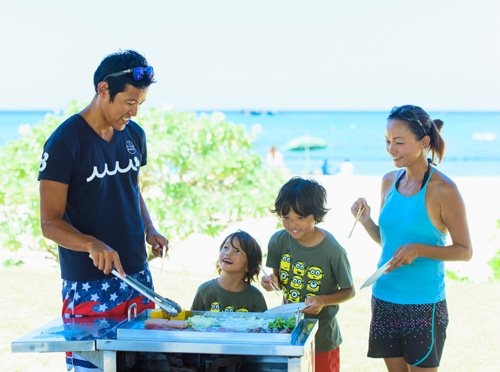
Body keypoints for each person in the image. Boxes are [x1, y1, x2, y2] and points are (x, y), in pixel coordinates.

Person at [38, 50, 168, 372]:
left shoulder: (134, 136)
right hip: (89, 285)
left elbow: (131, 189)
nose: (134, 112)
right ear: (103, 90)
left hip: (138, 275)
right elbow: (49, 222)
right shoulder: (64, 142)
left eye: (140, 104)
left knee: (145, 366)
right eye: (128, 102)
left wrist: (149, 228)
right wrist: (91, 244)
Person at [351, 105, 472, 371]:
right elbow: (389, 243)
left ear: (424, 142)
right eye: (387, 141)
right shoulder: (388, 181)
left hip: (423, 305)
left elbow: (464, 251)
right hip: (383, 297)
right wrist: (366, 220)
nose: (390, 149)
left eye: (399, 142)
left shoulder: (444, 189)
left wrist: (420, 249)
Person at [261, 176, 355, 372]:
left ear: (317, 215)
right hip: (288, 331)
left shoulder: (333, 251)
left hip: (323, 336)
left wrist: (322, 300)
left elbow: (349, 291)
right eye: (285, 217)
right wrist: (271, 282)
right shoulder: (278, 241)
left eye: (300, 217)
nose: (292, 224)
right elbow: (277, 279)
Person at [191, 230, 268, 312]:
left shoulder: (256, 297)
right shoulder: (204, 290)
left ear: (249, 266)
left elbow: (263, 324)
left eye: (238, 251)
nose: (228, 253)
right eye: (226, 247)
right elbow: (192, 322)